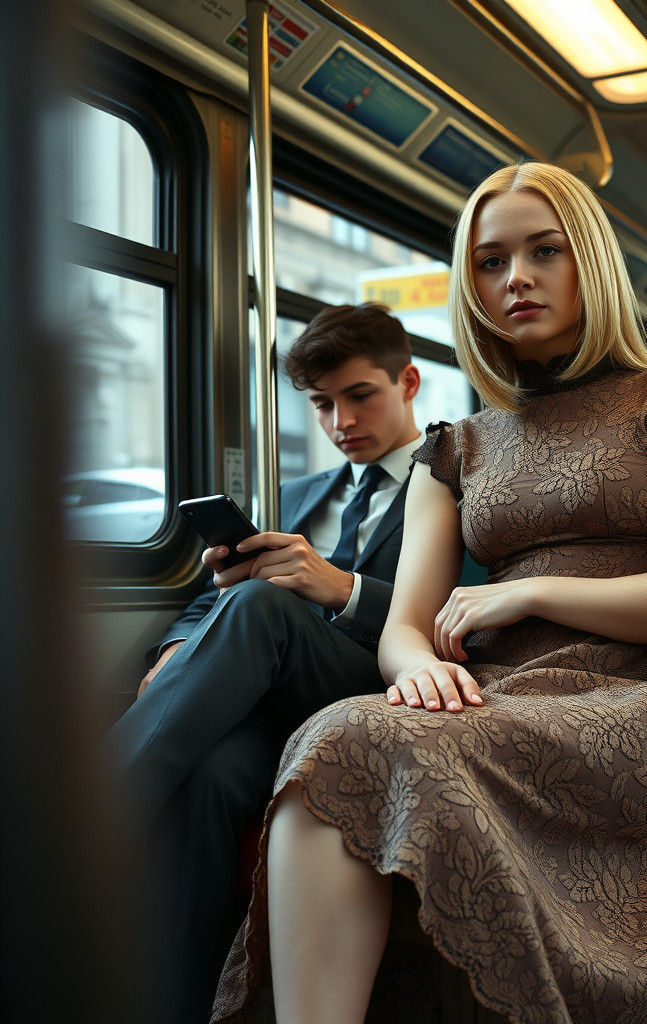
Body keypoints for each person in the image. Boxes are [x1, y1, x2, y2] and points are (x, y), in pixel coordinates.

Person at [212, 163, 647, 1024]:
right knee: (331, 741)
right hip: (500, 695)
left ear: (589, 261)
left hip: (643, 704)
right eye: (490, 262)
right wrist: (414, 673)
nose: (516, 278)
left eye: (544, 251)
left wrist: (529, 593)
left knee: (344, 742)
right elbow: (405, 625)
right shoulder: (457, 445)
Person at [106, 302, 422, 1024]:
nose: (340, 420)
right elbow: (198, 602)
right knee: (213, 774)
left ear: (407, 382)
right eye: (321, 404)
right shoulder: (302, 494)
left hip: (374, 691)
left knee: (261, 608)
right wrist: (181, 645)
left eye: (359, 395)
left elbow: (456, 612)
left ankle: (84, 819)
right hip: (262, 701)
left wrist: (340, 590)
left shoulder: (452, 486)